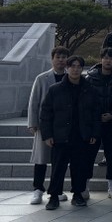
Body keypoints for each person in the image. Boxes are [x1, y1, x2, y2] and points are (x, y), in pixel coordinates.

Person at [40, 55, 100, 210]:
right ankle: (54, 196)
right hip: (60, 135)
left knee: (79, 168)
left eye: (79, 66)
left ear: (82, 69)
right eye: (72, 66)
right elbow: (46, 113)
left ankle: (78, 194)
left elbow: (95, 114)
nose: (75, 69)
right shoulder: (55, 89)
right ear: (67, 68)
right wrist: (47, 135)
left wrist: (94, 133)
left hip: (81, 135)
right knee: (58, 168)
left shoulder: (90, 90)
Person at [27, 47, 70, 206]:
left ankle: (56, 189)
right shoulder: (42, 78)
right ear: (52, 59)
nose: (61, 60)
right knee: (41, 159)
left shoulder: (70, 77)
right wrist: (32, 123)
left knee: (59, 161)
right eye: (58, 57)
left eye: (64, 57)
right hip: (44, 125)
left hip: (64, 126)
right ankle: (38, 188)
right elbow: (34, 101)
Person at [85, 48, 112, 200]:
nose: (108, 61)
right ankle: (84, 185)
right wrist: (96, 117)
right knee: (89, 155)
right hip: (94, 123)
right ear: (101, 59)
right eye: (106, 58)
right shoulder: (90, 78)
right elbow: (85, 102)